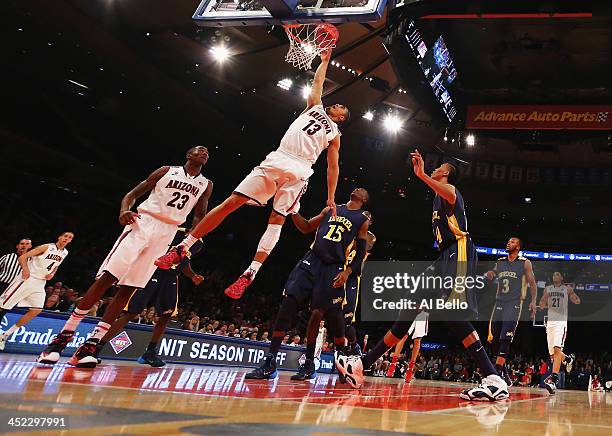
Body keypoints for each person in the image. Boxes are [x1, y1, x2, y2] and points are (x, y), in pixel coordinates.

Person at [155, 49, 350, 300]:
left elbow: (333, 167)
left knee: (277, 219)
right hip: (279, 157)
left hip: (301, 169)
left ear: (341, 117)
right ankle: (183, 247)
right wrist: (324, 60)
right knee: (231, 202)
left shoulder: (335, 135)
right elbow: (318, 82)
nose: (335, 104)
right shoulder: (315, 106)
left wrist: (331, 197)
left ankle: (251, 272)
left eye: (340, 107)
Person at [336, 150, 509, 402]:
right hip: (443, 257)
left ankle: (493, 379)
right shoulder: (439, 195)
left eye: (439, 168)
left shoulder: (450, 191)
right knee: (407, 310)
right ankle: (363, 364)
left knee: (452, 313)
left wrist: (421, 175)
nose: (435, 169)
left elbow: (449, 193)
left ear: (446, 174)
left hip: (458, 252)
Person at [37, 146, 212, 367]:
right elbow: (132, 194)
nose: (204, 152)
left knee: (129, 289)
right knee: (107, 279)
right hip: (143, 223)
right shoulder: (167, 171)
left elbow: (200, 215)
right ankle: (60, 341)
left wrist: (190, 240)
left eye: (207, 152)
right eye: (199, 150)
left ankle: (90, 345)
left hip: (167, 234)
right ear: (188, 155)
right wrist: (124, 210)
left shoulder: (206, 184)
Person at [245, 188, 370, 381]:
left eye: (363, 190)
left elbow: (361, 254)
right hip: (312, 260)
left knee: (325, 316)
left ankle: (338, 360)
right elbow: (306, 227)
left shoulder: (362, 220)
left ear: (364, 199)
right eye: (356, 187)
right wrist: (293, 210)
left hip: (334, 267)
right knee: (288, 303)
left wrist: (347, 272)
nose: (358, 189)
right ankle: (270, 362)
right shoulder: (331, 208)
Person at [94, 229, 205, 367]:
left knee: (166, 315)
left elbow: (185, 262)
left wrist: (193, 275)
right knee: (131, 312)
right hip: (152, 271)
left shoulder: (198, 243)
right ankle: (96, 347)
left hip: (170, 278)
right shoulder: (175, 231)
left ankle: (150, 352)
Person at [0, 232, 73, 351]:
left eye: (70, 238)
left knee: (36, 310)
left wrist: (53, 273)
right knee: (2, 306)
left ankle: (5, 335)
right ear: (59, 237)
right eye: (65, 236)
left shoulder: (65, 253)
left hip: (40, 283)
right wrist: (25, 270)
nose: (67, 239)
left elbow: (56, 265)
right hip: (27, 279)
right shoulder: (46, 247)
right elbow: (22, 257)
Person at [485, 237, 538, 386]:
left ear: (519, 247)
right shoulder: (500, 261)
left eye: (513, 241)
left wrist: (533, 302)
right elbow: (494, 272)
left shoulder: (524, 263)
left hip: (514, 304)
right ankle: (505, 373)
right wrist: (490, 274)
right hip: (499, 302)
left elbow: (532, 284)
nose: (508, 242)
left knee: (505, 339)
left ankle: (495, 374)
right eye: (508, 241)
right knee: (493, 340)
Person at [540, 271, 579, 394]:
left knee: (557, 350)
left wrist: (575, 298)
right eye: (553, 274)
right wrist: (541, 304)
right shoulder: (547, 289)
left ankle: (553, 381)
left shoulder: (567, 289)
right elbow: (542, 302)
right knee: (553, 355)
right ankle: (568, 359)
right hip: (550, 323)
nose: (555, 276)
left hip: (560, 323)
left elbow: (576, 300)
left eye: (557, 274)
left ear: (561, 278)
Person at [386, 310, 430, 383]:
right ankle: (397, 364)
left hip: (420, 311)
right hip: (413, 310)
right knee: (406, 336)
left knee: (413, 338)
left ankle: (407, 367)